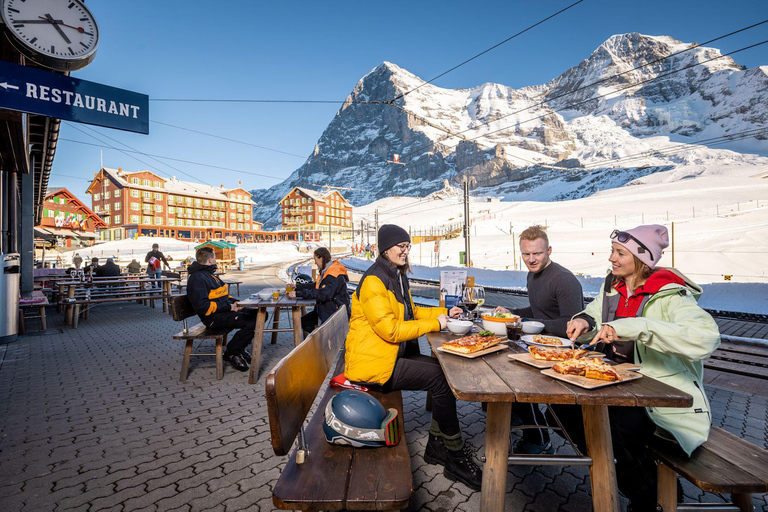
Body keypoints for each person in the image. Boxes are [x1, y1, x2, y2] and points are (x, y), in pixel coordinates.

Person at [554, 225, 720, 512]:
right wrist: (583, 322)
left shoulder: (670, 295)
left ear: (642, 259)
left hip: (660, 395)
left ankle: (645, 494)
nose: (611, 258)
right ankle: (646, 482)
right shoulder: (614, 287)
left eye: (619, 253)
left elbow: (706, 337)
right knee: (559, 409)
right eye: (612, 251)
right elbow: (594, 316)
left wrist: (632, 328)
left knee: (611, 431)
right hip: (617, 382)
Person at [344, 224, 482, 491]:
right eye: (401, 246)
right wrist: (437, 325)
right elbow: (391, 330)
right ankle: (453, 454)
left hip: (388, 357)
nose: (405, 251)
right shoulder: (375, 281)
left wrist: (444, 311)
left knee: (443, 374)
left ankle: (437, 444)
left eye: (408, 246)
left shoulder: (395, 275)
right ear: (386, 248)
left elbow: (412, 311)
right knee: (441, 379)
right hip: (373, 366)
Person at [493, 225, 584, 454]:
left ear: (549, 251)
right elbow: (537, 310)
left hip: (562, 352)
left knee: (516, 377)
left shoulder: (563, 280)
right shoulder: (532, 275)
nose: (531, 259)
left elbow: (572, 326)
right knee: (499, 365)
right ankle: (517, 418)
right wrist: (513, 315)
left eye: (537, 253)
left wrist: (526, 324)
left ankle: (539, 438)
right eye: (526, 254)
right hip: (538, 345)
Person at [187, 246, 254, 372]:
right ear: (210, 260)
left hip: (223, 312)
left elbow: (223, 296)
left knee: (258, 314)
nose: (216, 261)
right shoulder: (198, 278)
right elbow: (202, 307)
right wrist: (229, 307)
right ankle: (232, 353)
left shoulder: (210, 275)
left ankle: (238, 348)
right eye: (215, 258)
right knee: (251, 321)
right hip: (213, 318)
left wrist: (236, 303)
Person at [287, 247, 350, 335]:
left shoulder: (334, 274)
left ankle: (323, 337)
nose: (315, 262)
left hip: (333, 312)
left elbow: (323, 294)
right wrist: (297, 287)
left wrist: (298, 294)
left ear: (321, 258)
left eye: (315, 259)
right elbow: (315, 285)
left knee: (303, 323)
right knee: (302, 323)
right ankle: (320, 337)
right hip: (325, 309)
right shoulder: (327, 271)